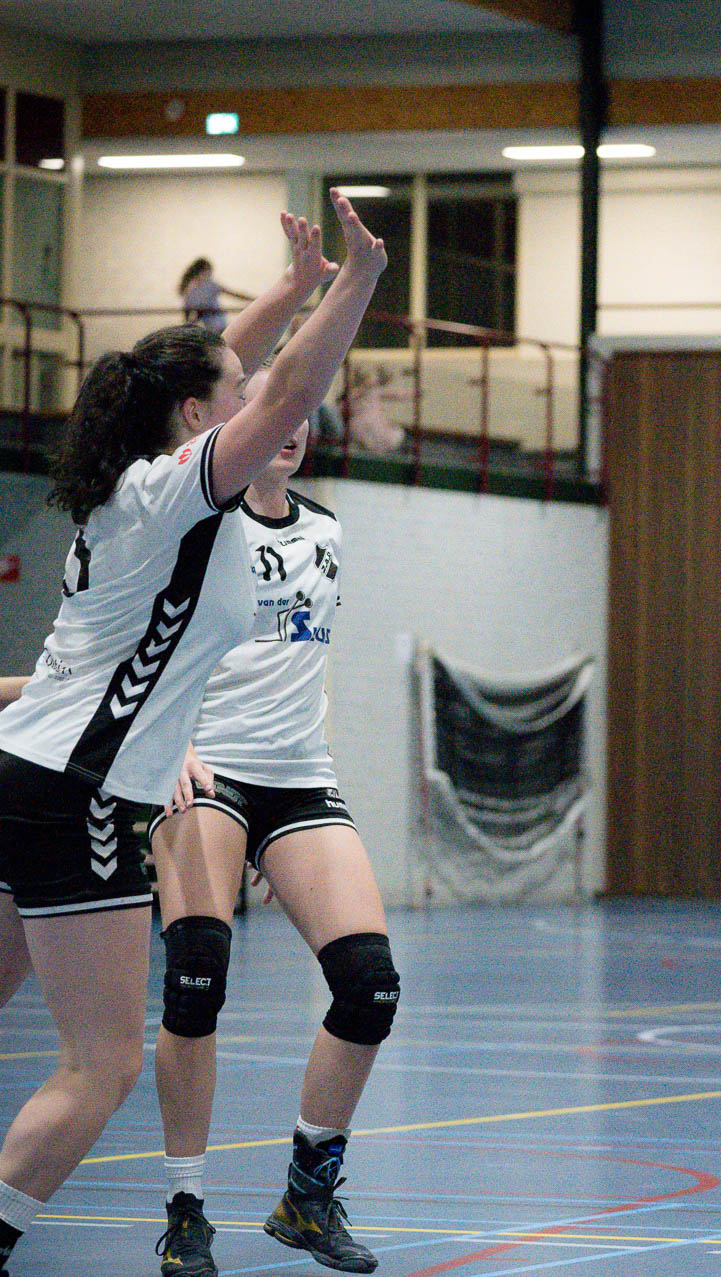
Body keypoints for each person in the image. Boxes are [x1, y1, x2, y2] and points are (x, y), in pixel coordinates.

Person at [0, 191, 384, 1276]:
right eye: (232, 395)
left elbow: (220, 366)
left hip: (24, 768)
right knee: (102, 1063)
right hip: (80, 792)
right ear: (195, 419)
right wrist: (357, 280)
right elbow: (292, 386)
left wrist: (293, 286)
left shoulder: (122, 488)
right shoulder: (177, 494)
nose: (251, 396)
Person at [146, 413, 393, 1277]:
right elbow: (139, 641)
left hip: (297, 776)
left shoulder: (326, 529)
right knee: (197, 973)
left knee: (371, 985)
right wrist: (166, 742)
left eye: (301, 414)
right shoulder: (196, 524)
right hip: (203, 765)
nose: (289, 426)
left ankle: (306, 1197)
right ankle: (185, 1208)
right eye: (271, 410)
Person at [178, 259, 227, 335]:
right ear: (202, 271)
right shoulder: (207, 286)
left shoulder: (191, 289)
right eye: (208, 271)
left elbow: (189, 314)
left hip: (211, 327)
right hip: (216, 326)